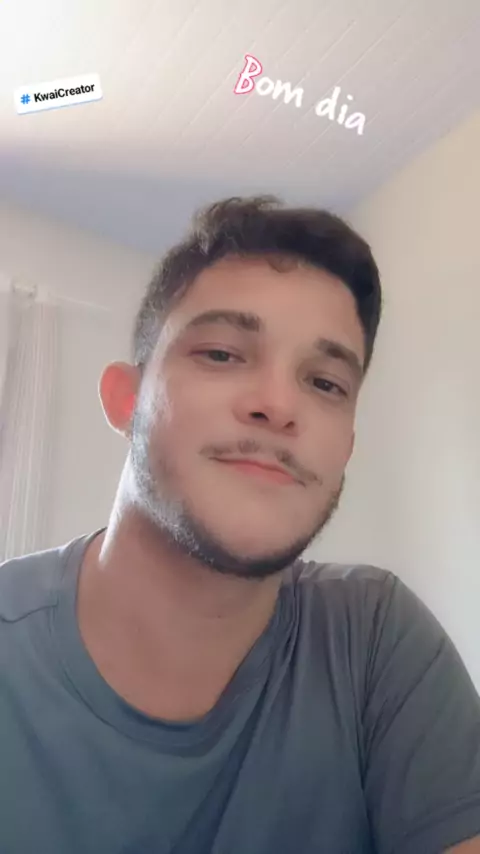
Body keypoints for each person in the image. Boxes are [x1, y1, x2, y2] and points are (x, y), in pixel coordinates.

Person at [0, 195, 479, 854]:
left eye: (326, 383)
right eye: (223, 353)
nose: (279, 405)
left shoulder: (374, 641)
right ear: (127, 399)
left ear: (345, 448)